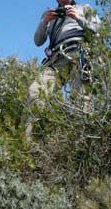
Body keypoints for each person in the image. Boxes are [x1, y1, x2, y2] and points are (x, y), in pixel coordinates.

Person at [25, 0, 100, 139]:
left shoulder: (84, 8)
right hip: (56, 58)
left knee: (82, 97)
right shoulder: (51, 14)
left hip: (79, 53)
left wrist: (78, 17)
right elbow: (38, 41)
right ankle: (29, 142)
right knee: (35, 92)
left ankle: (84, 138)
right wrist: (45, 22)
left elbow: (96, 31)